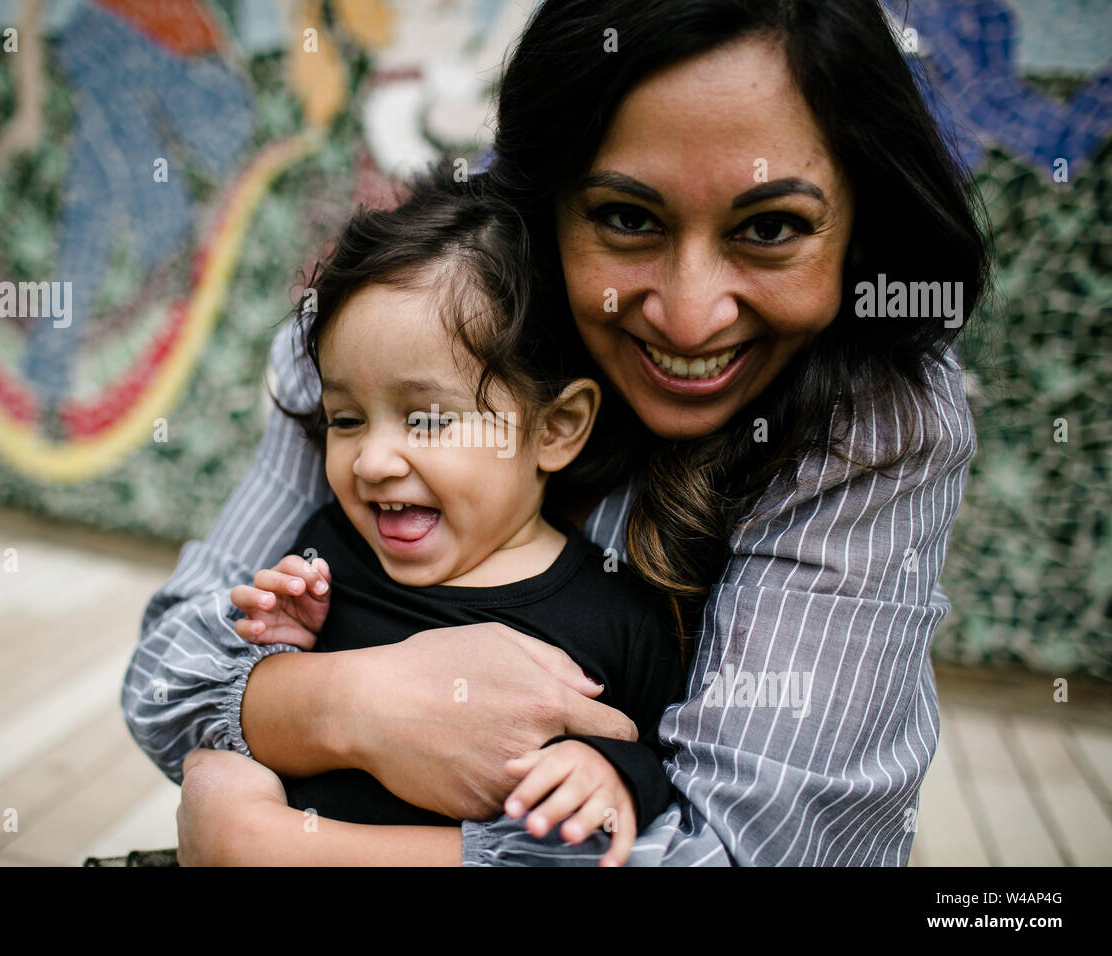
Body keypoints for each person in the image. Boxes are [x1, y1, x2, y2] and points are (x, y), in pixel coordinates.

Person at [127, 0, 987, 866]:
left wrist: (273, 848)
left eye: (770, 229)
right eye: (627, 217)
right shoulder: (403, 323)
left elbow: (745, 852)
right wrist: (352, 703)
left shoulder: (877, 421)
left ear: (862, 227)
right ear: (548, 203)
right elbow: (166, 668)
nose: (690, 319)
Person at [215, 168, 685, 865]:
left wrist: (611, 774)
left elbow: (649, 758)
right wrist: (280, 646)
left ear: (556, 429)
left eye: (427, 418)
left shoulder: (619, 617)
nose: (372, 461)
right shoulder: (327, 556)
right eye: (345, 418)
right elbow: (248, 713)